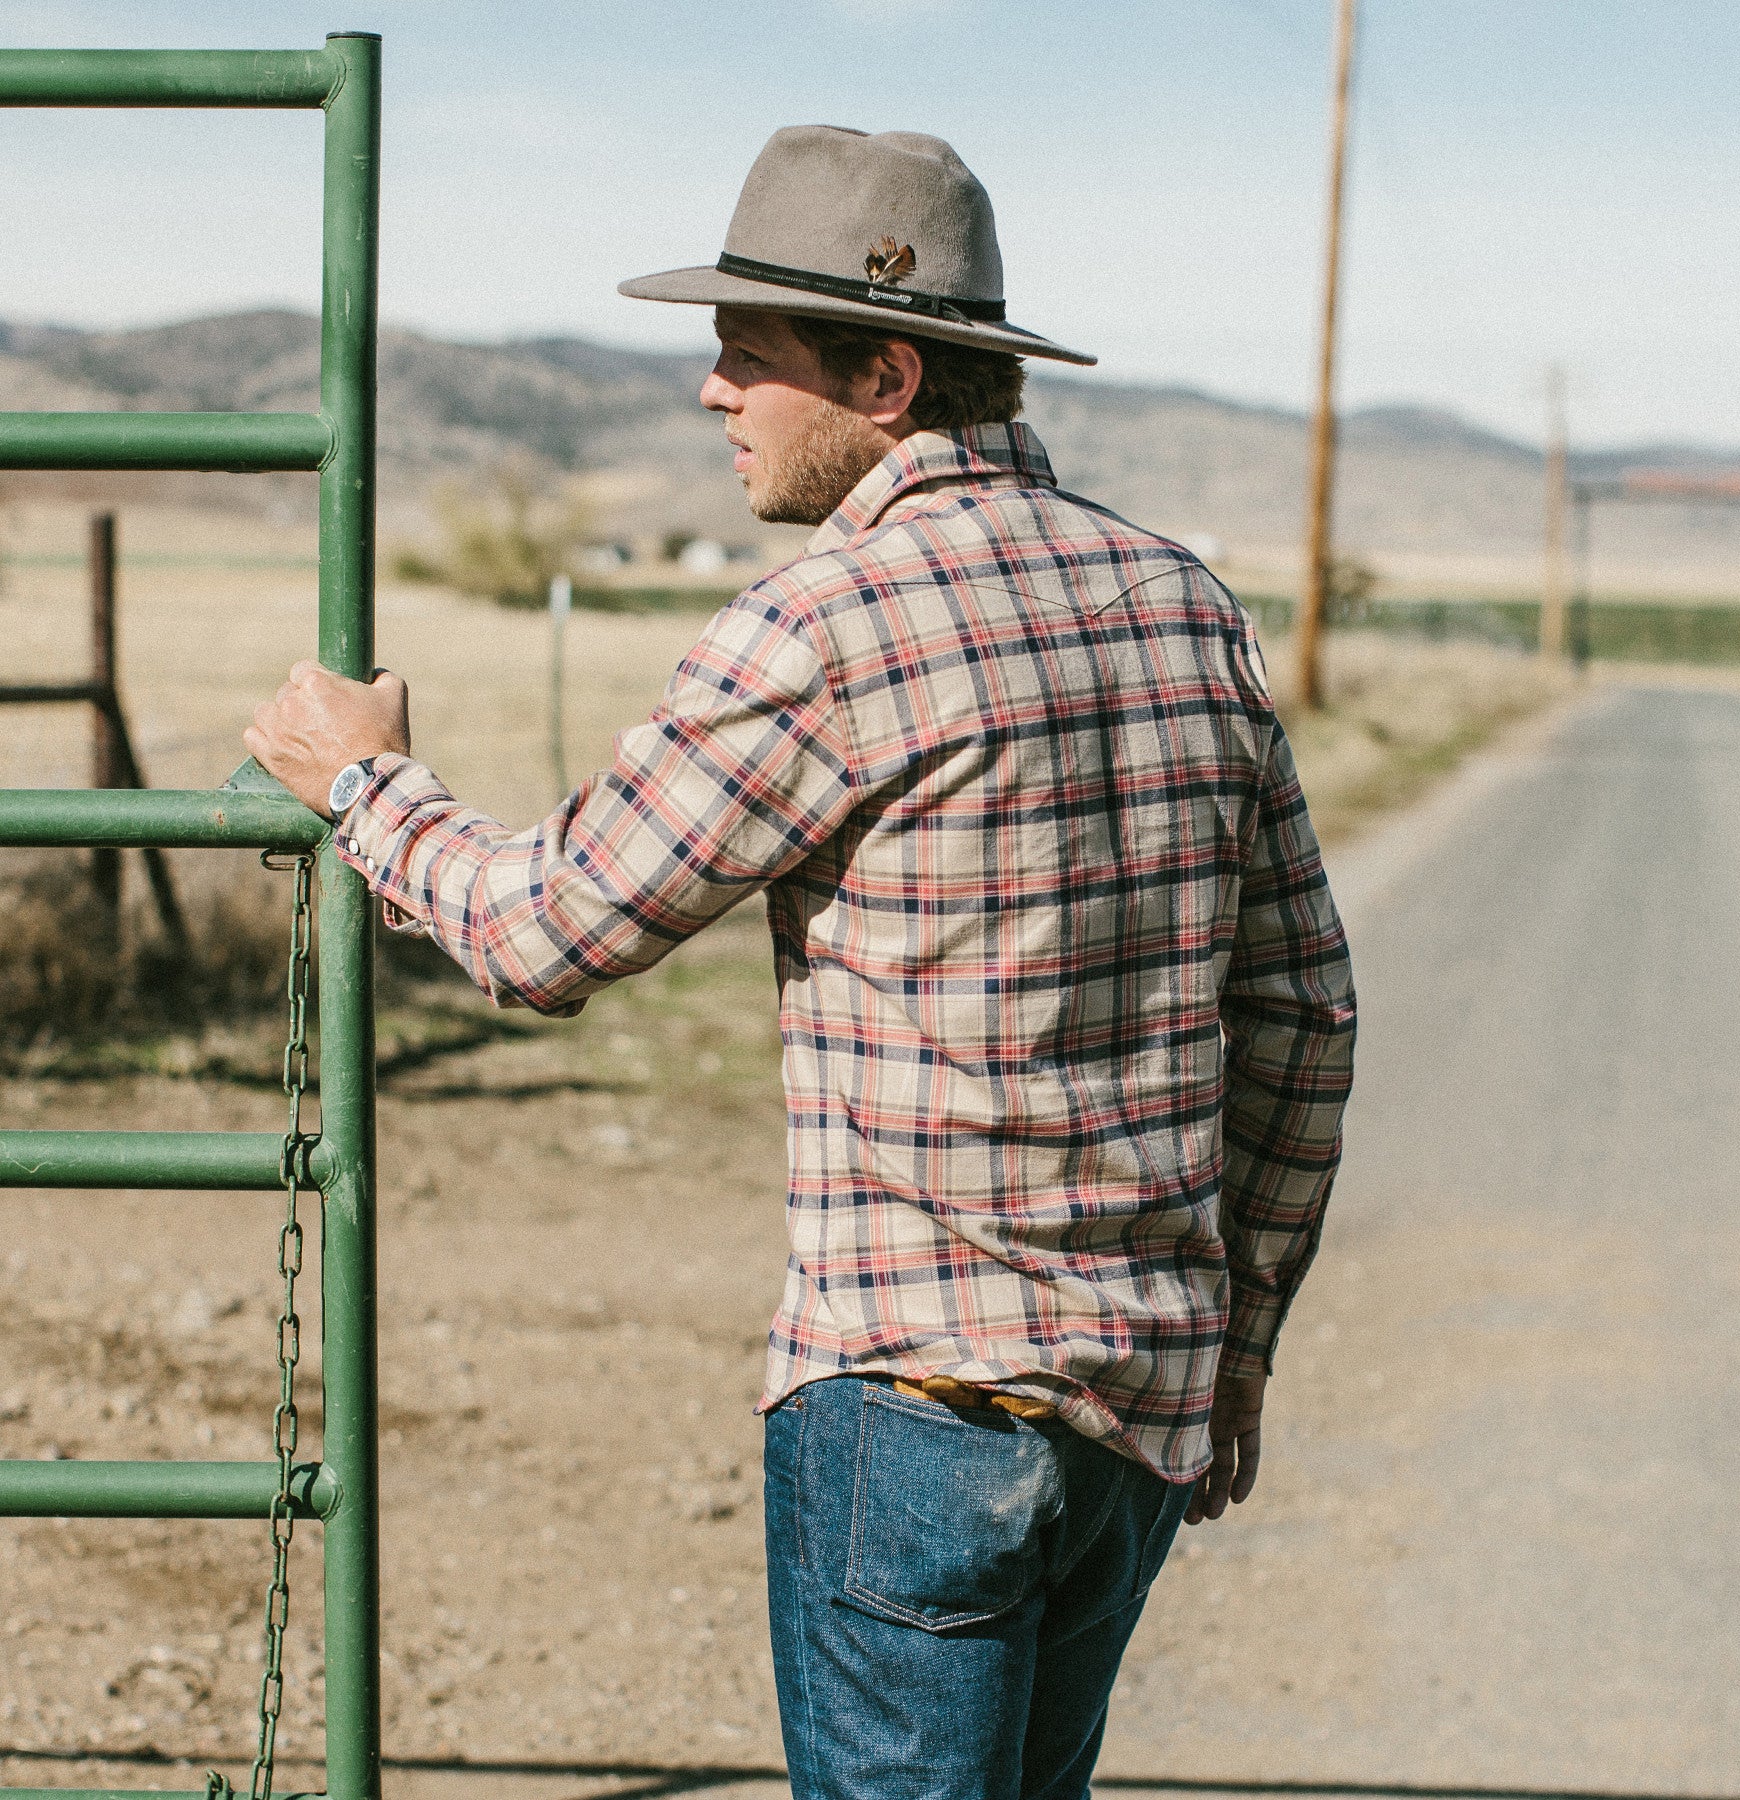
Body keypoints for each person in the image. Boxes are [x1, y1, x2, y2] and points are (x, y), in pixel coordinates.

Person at [247, 125, 1356, 1800]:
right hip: (1138, 1406)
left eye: (744, 356)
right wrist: (1241, 1343)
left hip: (917, 1413)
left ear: (887, 374)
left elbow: (547, 933)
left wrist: (365, 788)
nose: (712, 394)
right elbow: (1304, 1012)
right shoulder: (1179, 602)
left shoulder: (829, 623)